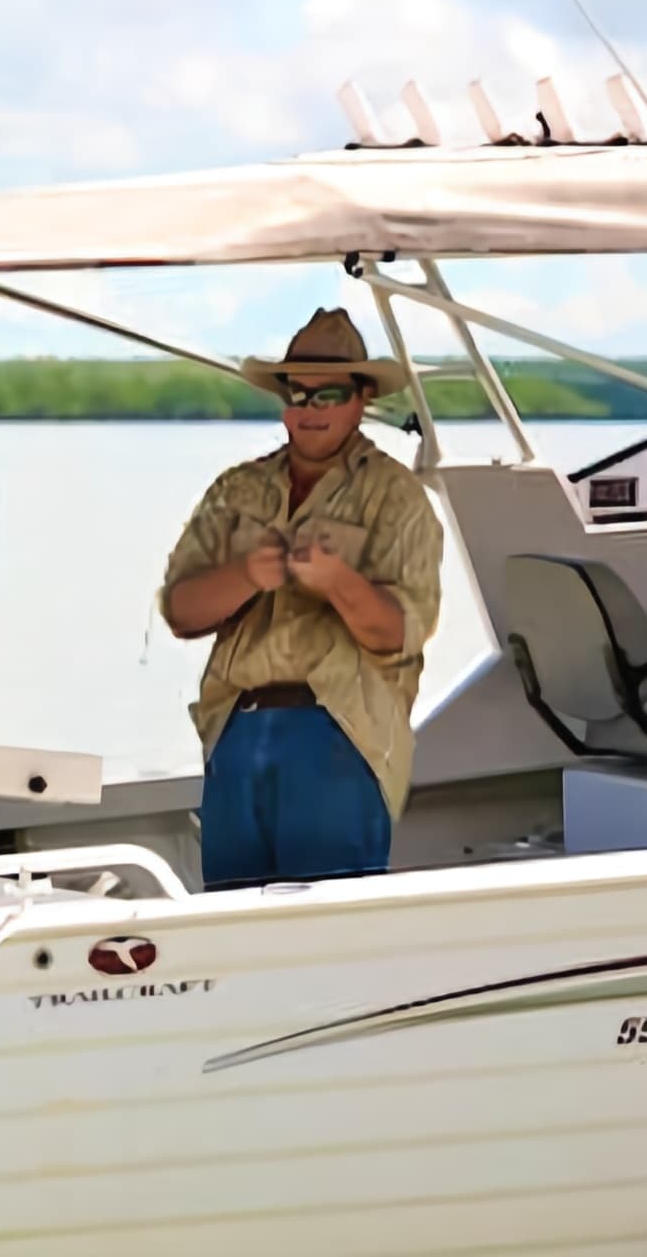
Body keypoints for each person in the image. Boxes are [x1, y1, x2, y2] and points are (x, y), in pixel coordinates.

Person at [158, 307, 443, 890]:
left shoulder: (398, 496)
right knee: (232, 920)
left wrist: (338, 582)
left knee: (333, 929)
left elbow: (401, 632)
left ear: (361, 399)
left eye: (328, 394)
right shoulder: (236, 488)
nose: (308, 410)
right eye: (297, 393)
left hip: (342, 733)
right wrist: (247, 575)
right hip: (236, 731)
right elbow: (180, 611)